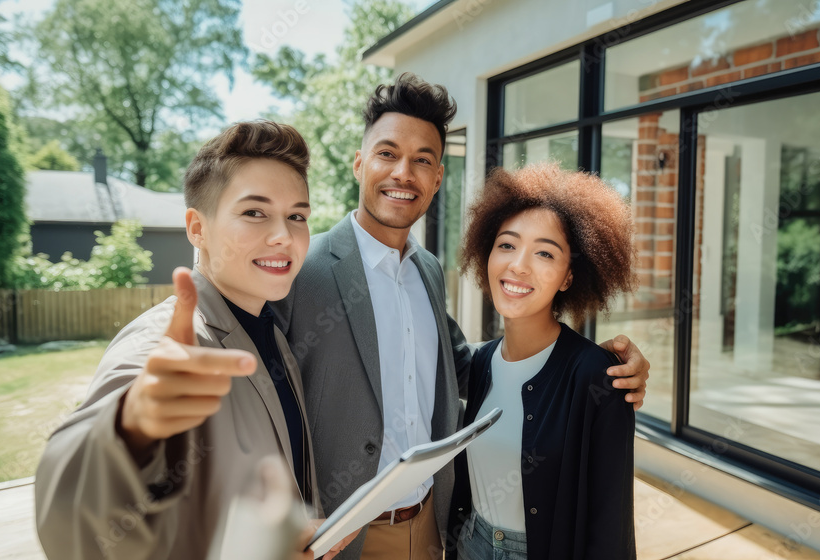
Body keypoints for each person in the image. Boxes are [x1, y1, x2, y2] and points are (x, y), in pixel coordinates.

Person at [272, 73, 650, 560]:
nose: (403, 173)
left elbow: (459, 365)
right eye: (387, 153)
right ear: (359, 162)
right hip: (342, 536)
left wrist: (601, 367)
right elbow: (255, 387)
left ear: (437, 179)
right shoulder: (304, 265)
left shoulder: (427, 271)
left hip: (433, 526)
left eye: (422, 160)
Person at [34, 121, 354, 560]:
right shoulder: (161, 344)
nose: (284, 235)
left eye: (297, 216)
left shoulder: (273, 334)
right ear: (197, 228)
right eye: (255, 212)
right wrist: (131, 429)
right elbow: (71, 525)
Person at [446, 162, 637, 560]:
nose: (518, 265)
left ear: (569, 276)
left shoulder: (598, 377)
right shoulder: (480, 362)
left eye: (545, 253)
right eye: (507, 244)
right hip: (470, 544)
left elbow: (610, 524)